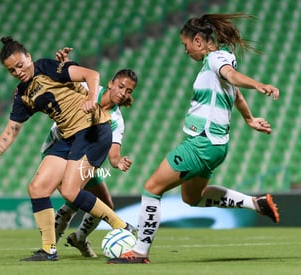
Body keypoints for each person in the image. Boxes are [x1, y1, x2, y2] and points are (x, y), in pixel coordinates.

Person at [108, 13, 280, 264]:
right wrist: (249, 119)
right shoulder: (215, 64)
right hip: (215, 146)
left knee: (151, 188)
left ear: (198, 40)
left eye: (185, 44)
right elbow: (235, 94)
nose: (185, 49)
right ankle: (256, 203)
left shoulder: (215, 60)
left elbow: (232, 77)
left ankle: (139, 252)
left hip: (201, 143)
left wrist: (258, 84)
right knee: (192, 198)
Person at [0, 37, 135, 261]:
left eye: (20, 65)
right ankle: (49, 250)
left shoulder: (46, 67)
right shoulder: (23, 95)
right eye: (12, 70)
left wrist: (91, 98)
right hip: (68, 137)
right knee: (37, 188)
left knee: (70, 191)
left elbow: (91, 75)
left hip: (93, 131)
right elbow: (11, 129)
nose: (18, 72)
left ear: (28, 57)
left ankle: (122, 226)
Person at [41, 48, 138, 258]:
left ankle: (79, 239)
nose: (123, 92)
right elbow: (69, 80)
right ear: (111, 83)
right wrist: (66, 63)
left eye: (129, 91)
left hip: (85, 156)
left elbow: (113, 156)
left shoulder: (116, 121)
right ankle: (51, 246)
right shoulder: (89, 88)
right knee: (73, 196)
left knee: (106, 204)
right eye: (121, 86)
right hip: (59, 149)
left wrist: (119, 162)